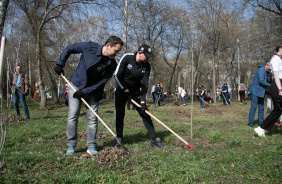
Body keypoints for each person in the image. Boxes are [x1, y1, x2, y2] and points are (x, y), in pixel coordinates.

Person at [54, 36, 123, 155]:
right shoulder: (89, 47)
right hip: (76, 85)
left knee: (92, 119)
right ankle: (71, 145)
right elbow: (70, 48)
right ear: (107, 46)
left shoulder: (112, 64)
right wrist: (60, 63)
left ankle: (91, 146)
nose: (117, 54)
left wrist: (85, 92)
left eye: (118, 52)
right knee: (73, 115)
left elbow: (101, 83)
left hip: (93, 91)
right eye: (116, 50)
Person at [114, 44, 165, 148]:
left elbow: (145, 84)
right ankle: (119, 139)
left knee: (145, 113)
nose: (148, 59)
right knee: (120, 114)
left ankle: (154, 139)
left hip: (135, 91)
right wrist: (124, 89)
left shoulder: (147, 65)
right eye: (146, 56)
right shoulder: (127, 57)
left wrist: (142, 100)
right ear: (140, 53)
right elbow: (117, 75)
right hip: (121, 89)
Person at [254, 46, 282, 136]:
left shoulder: (279, 60)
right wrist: (280, 89)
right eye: (281, 50)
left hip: (279, 84)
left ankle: (261, 128)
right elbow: (276, 75)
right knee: (278, 109)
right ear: (278, 50)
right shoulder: (275, 60)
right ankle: (261, 128)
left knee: (279, 110)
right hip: (277, 85)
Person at [248, 62, 271, 127]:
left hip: (262, 92)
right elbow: (261, 81)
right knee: (254, 107)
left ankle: (261, 122)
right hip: (255, 90)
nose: (270, 69)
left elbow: (268, 80)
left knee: (261, 107)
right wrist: (270, 86)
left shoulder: (267, 72)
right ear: (267, 65)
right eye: (270, 68)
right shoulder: (261, 70)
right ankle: (250, 122)